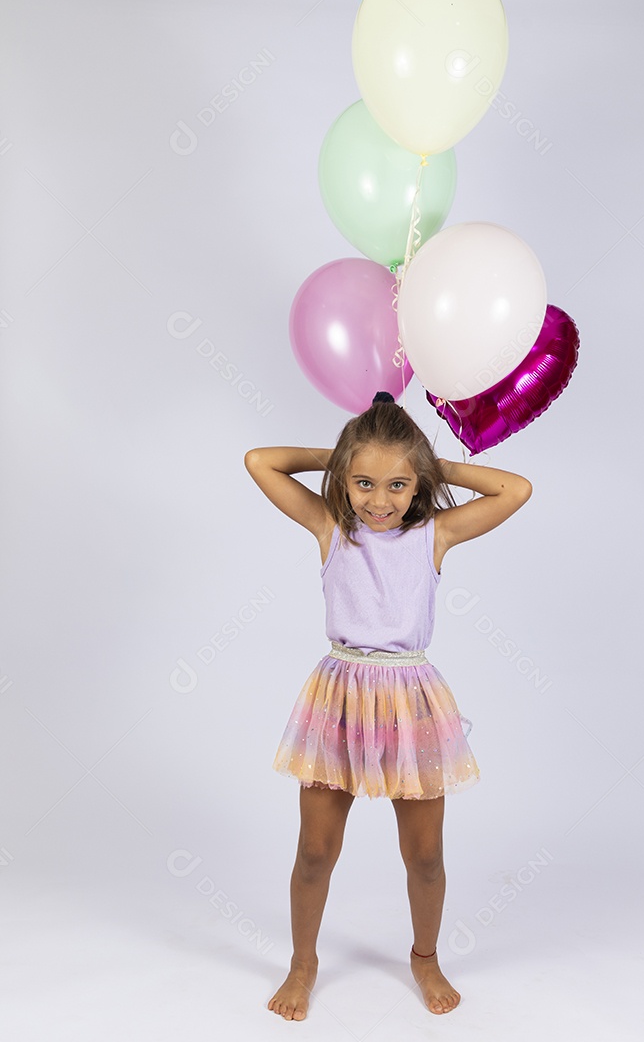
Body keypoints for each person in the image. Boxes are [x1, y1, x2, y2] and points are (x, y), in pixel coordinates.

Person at [244, 391, 532, 1020]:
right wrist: (344, 455)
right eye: (365, 482)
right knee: (316, 850)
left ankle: (425, 957)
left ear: (417, 484)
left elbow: (516, 489)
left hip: (411, 701)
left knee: (425, 854)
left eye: (399, 484)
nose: (380, 500)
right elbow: (259, 460)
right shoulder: (332, 527)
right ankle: (303, 963)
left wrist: (433, 466)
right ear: (344, 480)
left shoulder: (434, 533)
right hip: (340, 697)